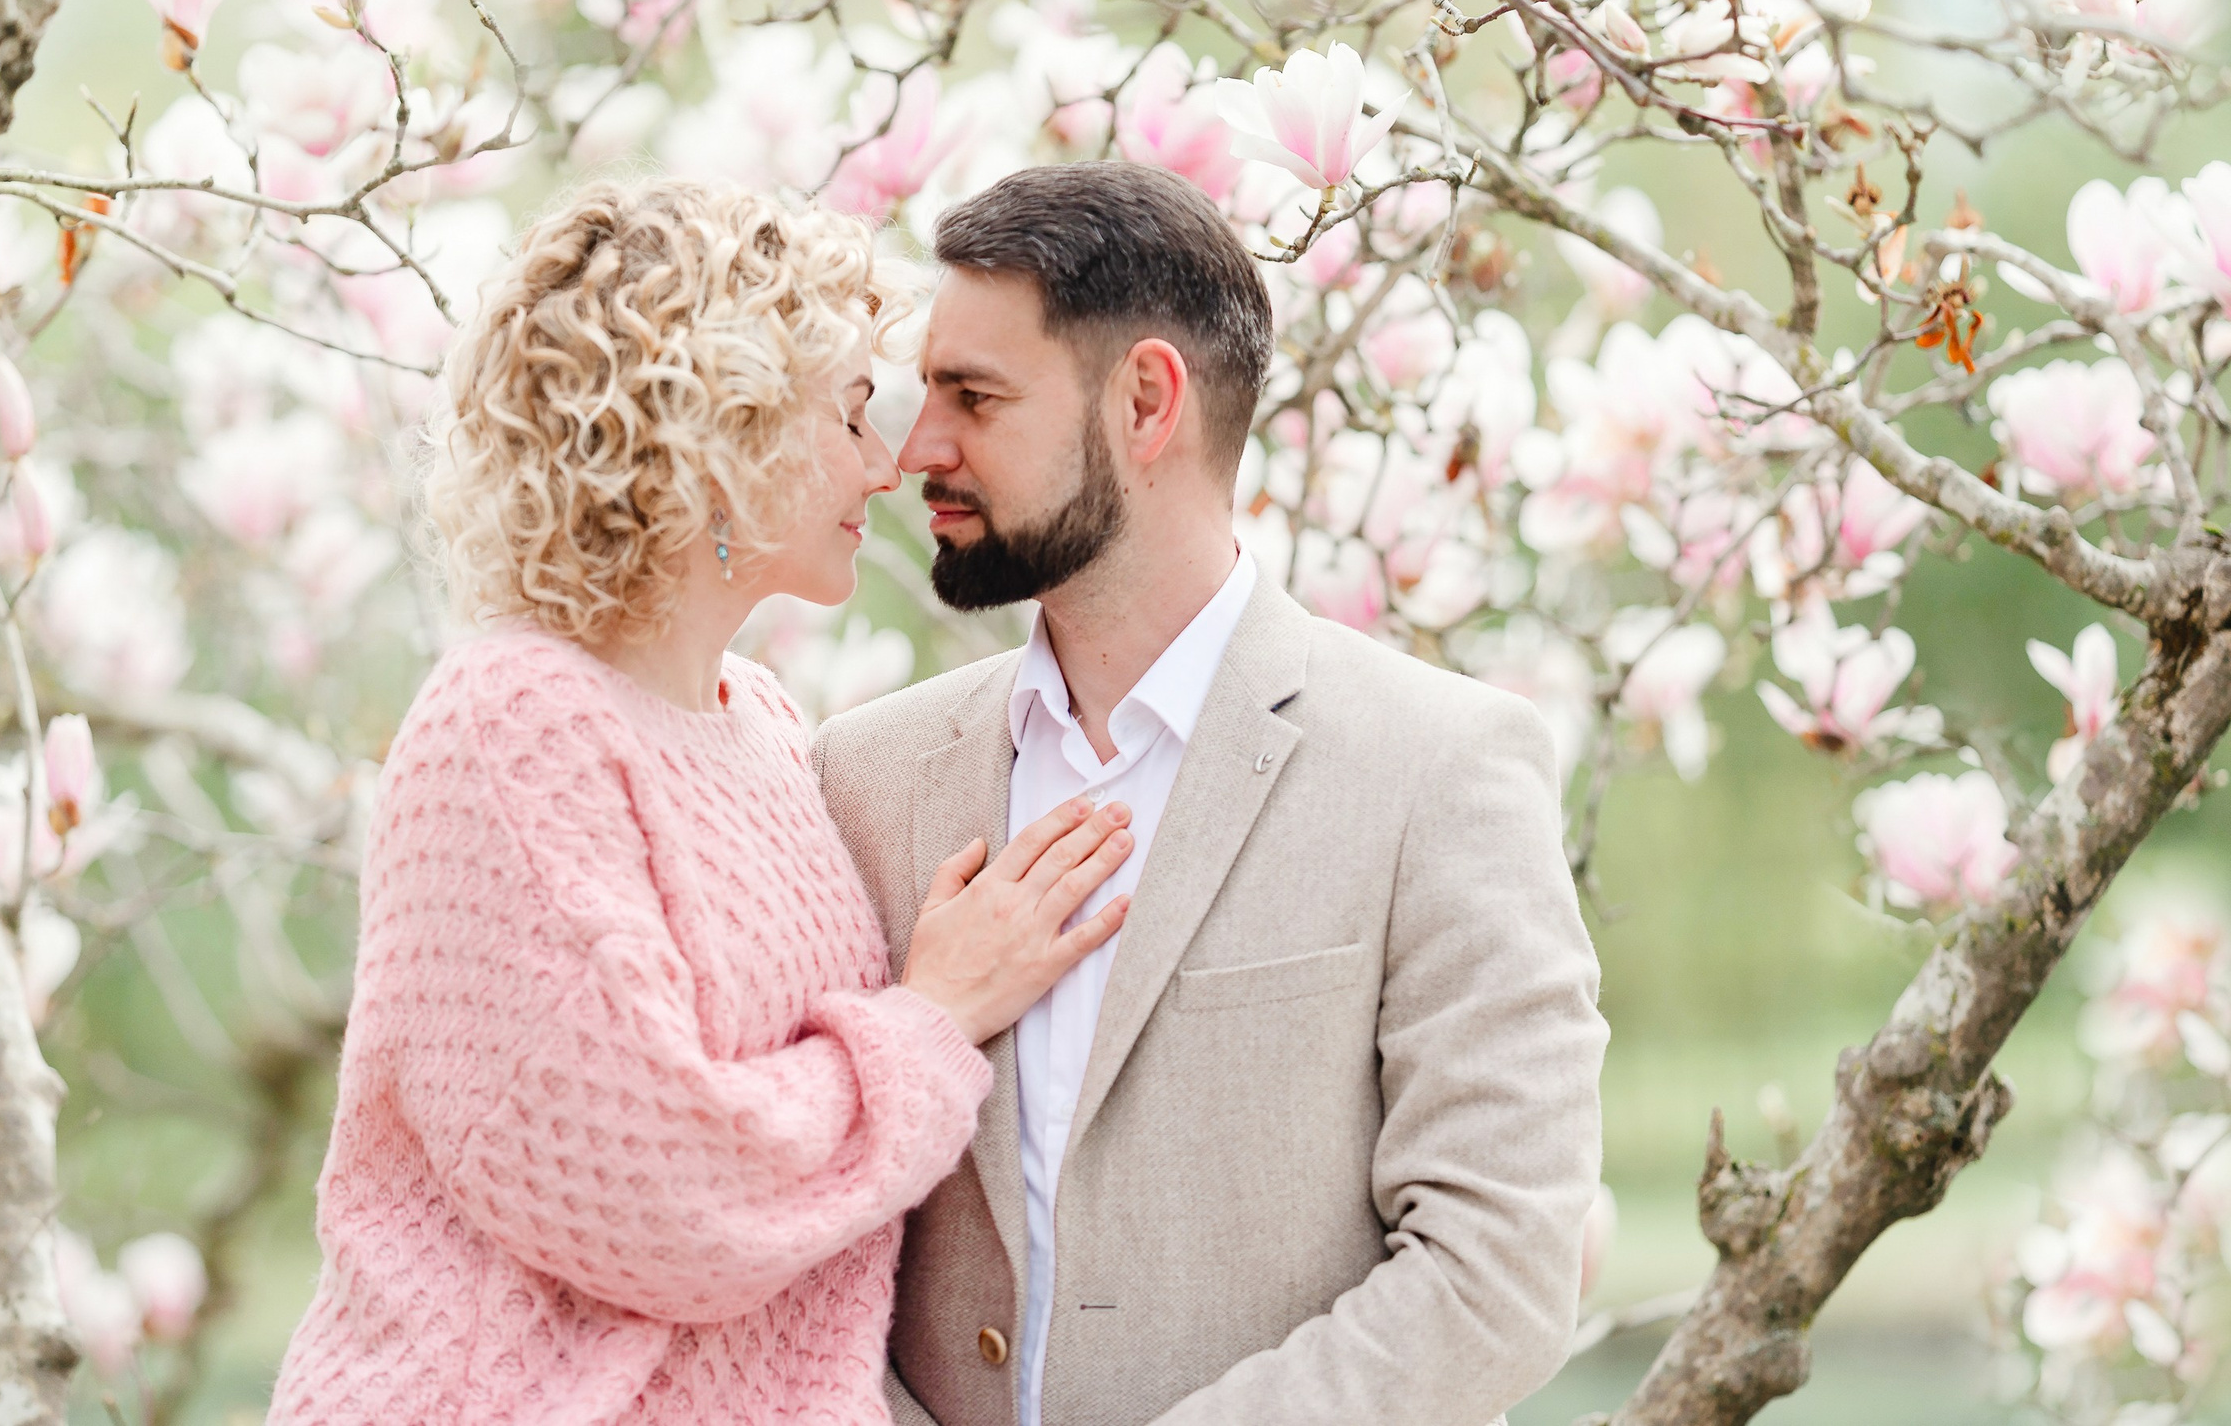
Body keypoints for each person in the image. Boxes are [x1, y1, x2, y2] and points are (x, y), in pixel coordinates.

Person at [265, 181, 1142, 1425]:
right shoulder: (511, 727)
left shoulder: (761, 722)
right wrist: (934, 1015)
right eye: (848, 415)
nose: (886, 463)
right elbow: (660, 1189)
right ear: (722, 439)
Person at [813, 161, 1610, 1426]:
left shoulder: (1442, 769)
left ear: (1145, 400)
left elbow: (1496, 1271)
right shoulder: (854, 777)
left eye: (973, 395)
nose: (919, 449)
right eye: (923, 394)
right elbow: (807, 1253)